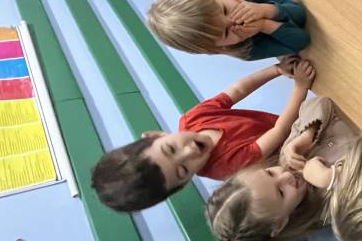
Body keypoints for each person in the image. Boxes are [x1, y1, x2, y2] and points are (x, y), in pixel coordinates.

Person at [91, 59, 314, 211]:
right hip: (303, 141)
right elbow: (280, 131)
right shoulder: (224, 166)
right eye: (183, 169)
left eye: (171, 149)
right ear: (186, 181)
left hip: (294, 121)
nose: (190, 151)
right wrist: (300, 87)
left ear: (155, 136)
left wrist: (276, 70)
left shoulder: (192, 119)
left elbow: (237, 90)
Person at [206, 96, 359, 241]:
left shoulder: (288, 156)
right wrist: (331, 179)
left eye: (270, 173)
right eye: (280, 192)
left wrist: (307, 134)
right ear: (280, 224)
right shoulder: (329, 209)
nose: (286, 176)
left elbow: (320, 102)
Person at [147, 0, 309, 60]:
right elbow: (302, 41)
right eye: (225, 33)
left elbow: (300, 14)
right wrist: (264, 25)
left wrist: (265, 10)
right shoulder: (246, 51)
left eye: (225, 10)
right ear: (218, 48)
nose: (235, 21)